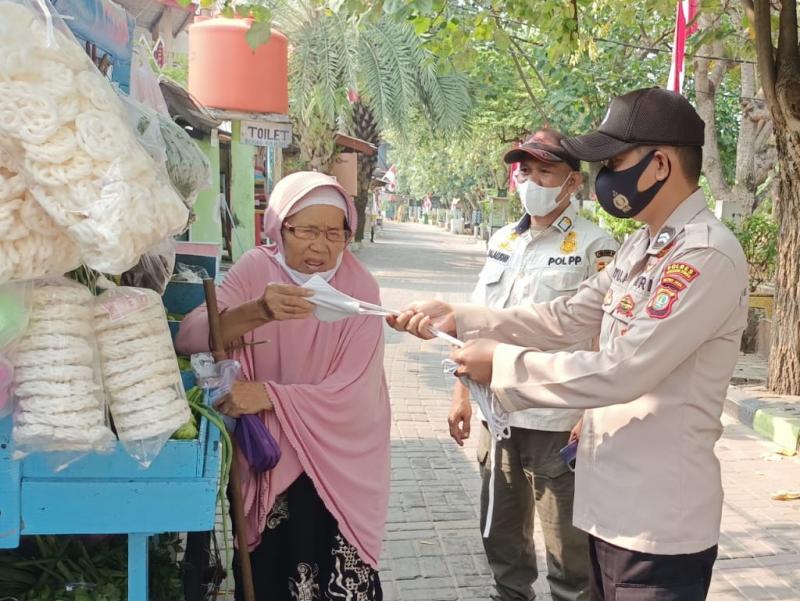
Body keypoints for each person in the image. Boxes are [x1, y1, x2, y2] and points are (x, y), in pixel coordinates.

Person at [389, 88, 748, 601]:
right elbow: (568, 315)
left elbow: (622, 371)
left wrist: (505, 365)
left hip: (657, 521)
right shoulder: (642, 245)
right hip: (609, 508)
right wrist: (462, 316)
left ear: (661, 164)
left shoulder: (706, 256)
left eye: (615, 161)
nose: (605, 176)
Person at [177, 171, 391, 600]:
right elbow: (191, 335)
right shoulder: (257, 270)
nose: (320, 245)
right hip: (269, 458)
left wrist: (267, 396)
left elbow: (355, 393)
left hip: (337, 464)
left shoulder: (358, 287)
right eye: (306, 230)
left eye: (335, 233)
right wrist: (258, 310)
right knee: (270, 573)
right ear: (278, 228)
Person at [449, 127, 617, 601]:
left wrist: (592, 413)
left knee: (568, 550)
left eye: (547, 171)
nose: (533, 180)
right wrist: (462, 394)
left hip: (556, 421)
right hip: (497, 414)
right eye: (527, 170)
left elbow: (606, 336)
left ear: (573, 184)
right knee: (501, 537)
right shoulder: (504, 239)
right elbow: (478, 325)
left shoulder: (596, 246)